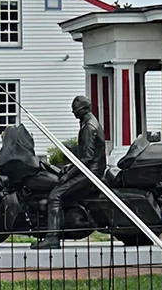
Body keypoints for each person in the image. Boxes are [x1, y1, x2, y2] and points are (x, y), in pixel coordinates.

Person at [32, 95, 106, 249]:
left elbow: (86, 159)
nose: (73, 114)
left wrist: (68, 175)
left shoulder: (88, 127)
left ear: (82, 110)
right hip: (92, 169)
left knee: (55, 195)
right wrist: (69, 166)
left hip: (90, 173)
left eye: (75, 110)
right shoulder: (91, 123)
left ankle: (52, 237)